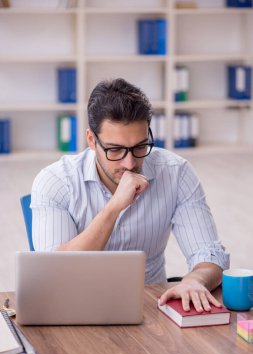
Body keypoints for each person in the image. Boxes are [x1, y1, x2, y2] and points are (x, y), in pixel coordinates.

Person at [31, 78, 230, 312]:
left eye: (140, 146)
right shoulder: (55, 181)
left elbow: (209, 254)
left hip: (149, 305)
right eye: (115, 150)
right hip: (76, 306)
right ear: (92, 140)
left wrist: (194, 280)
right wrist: (114, 207)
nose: (130, 162)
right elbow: (55, 272)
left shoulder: (176, 173)